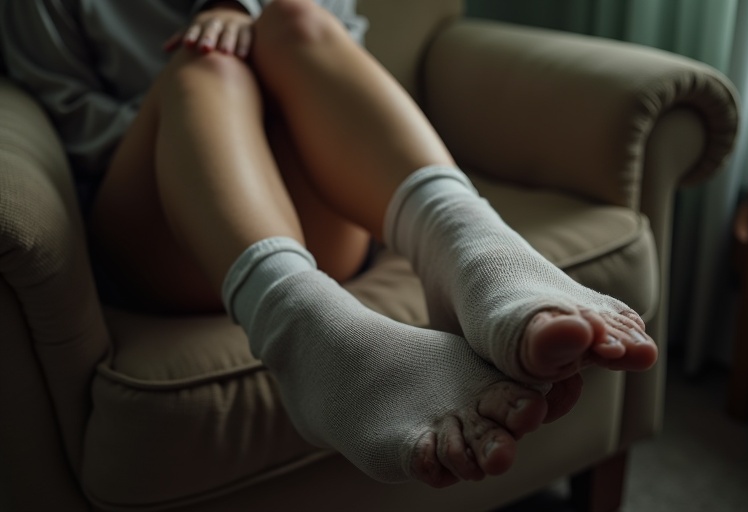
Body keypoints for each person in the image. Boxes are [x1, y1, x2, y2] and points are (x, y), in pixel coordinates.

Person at [0, 0, 657, 488]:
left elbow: (341, 62)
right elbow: (71, 122)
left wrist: (242, 12)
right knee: (204, 68)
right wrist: (218, 101)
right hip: (169, 231)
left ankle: (466, 244)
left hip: (325, 218)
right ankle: (300, 322)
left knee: (296, 17)